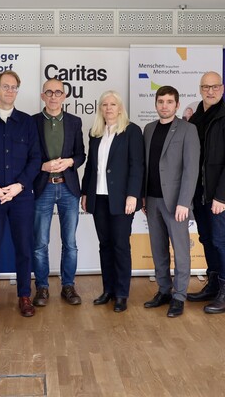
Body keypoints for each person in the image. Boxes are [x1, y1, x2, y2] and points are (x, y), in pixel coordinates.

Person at [0, 70, 41, 318]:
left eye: (14, 87)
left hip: (21, 197)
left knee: (24, 248)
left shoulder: (27, 122)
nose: (10, 91)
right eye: (5, 86)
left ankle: (25, 295)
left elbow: (35, 159)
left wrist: (18, 186)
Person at [81, 90, 144, 313]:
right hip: (98, 197)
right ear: (100, 108)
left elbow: (137, 165)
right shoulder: (95, 132)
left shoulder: (131, 131)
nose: (108, 108)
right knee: (105, 245)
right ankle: (108, 290)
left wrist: (133, 194)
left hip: (122, 199)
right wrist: (85, 192)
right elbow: (91, 166)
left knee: (120, 245)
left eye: (113, 104)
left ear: (120, 108)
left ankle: (122, 294)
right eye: (104, 105)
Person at [187, 71, 225, 314]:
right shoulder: (194, 120)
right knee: (207, 239)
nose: (210, 91)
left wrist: (222, 196)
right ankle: (213, 285)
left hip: (218, 196)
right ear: (200, 90)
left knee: (222, 242)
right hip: (199, 194)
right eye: (205, 87)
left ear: (222, 89)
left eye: (214, 87)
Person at [142, 86, 200, 318]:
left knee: (181, 250)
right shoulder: (148, 129)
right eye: (160, 101)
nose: (164, 106)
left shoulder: (188, 129)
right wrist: (143, 196)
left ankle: (179, 296)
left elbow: (191, 169)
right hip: (152, 200)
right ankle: (164, 290)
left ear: (177, 105)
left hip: (176, 202)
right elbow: (146, 166)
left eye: (169, 102)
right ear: (156, 104)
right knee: (158, 249)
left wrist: (184, 202)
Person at [32, 78, 86, 307]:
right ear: (42, 96)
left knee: (70, 242)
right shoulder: (32, 122)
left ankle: (68, 286)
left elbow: (81, 154)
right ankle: (42, 288)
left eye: (58, 92)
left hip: (68, 187)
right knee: (40, 243)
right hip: (42, 187)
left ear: (64, 96)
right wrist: (41, 166)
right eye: (49, 92)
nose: (53, 96)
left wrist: (70, 162)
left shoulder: (74, 122)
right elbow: (26, 156)